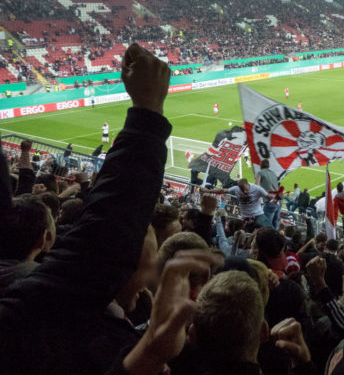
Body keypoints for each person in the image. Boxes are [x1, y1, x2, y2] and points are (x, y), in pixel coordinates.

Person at [0, 43, 214, 375]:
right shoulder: (27, 311)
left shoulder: (20, 313)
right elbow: (99, 245)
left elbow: (95, 245)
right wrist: (147, 114)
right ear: (45, 238)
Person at [205, 179, 272, 231]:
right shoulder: (236, 188)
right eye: (242, 190)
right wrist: (208, 191)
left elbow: (269, 197)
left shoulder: (257, 189)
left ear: (248, 184)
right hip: (246, 218)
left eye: (246, 189)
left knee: (270, 230)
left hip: (258, 215)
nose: (245, 192)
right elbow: (223, 190)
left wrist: (275, 197)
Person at [255, 159, 282, 229]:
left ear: (261, 165)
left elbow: (256, 187)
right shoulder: (273, 174)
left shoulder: (260, 173)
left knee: (266, 226)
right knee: (275, 224)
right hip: (278, 202)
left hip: (270, 201)